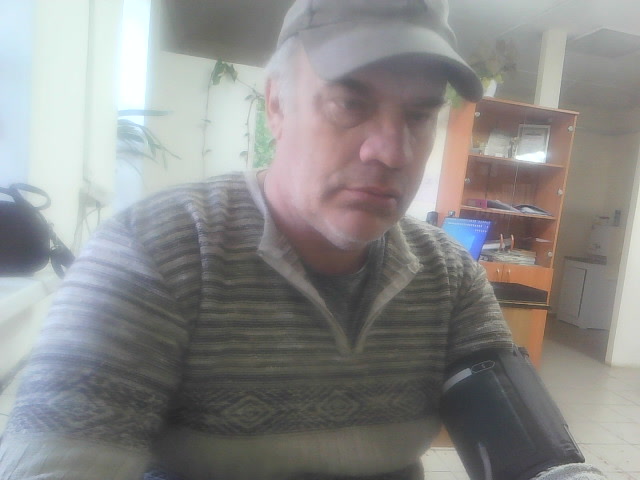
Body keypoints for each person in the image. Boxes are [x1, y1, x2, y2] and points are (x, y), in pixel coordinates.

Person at [0, 1, 606, 479]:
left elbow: (535, 460)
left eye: (418, 116)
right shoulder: (153, 253)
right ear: (277, 105)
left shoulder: (447, 274)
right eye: (349, 102)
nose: (392, 151)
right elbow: (54, 461)